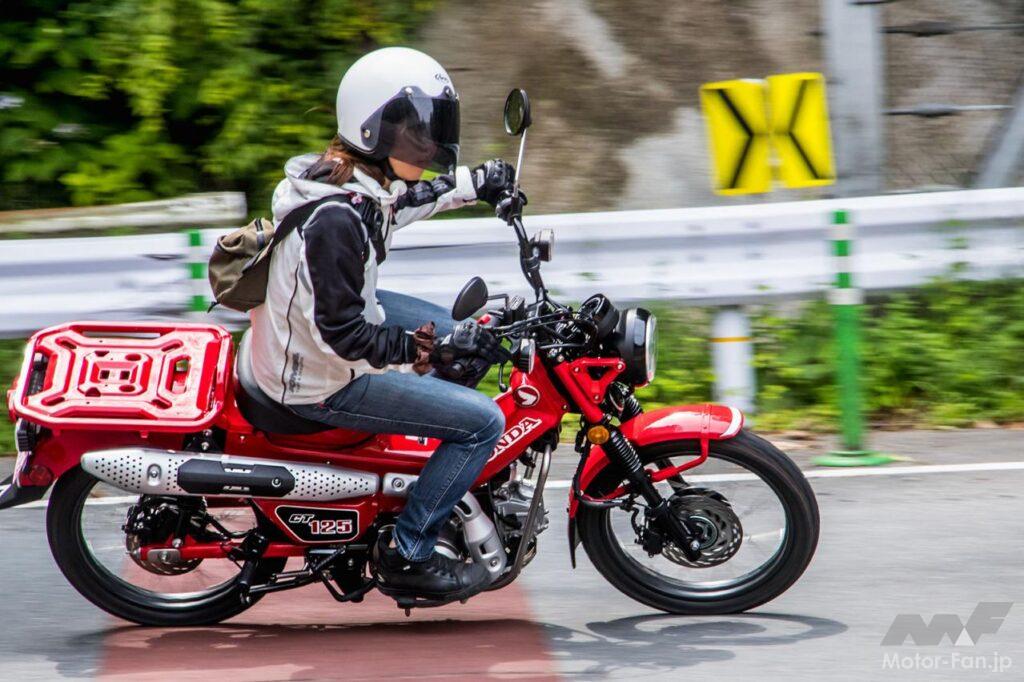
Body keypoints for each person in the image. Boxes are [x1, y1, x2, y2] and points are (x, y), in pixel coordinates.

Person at [248, 47, 519, 603]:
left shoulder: (351, 186)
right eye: (419, 130)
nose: (432, 143)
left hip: (309, 336)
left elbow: (402, 205)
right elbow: (343, 338)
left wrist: (477, 182)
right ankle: (411, 547)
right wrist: (433, 351)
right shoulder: (337, 221)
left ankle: (426, 466)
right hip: (317, 379)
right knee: (483, 423)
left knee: (465, 333)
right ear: (377, 129)